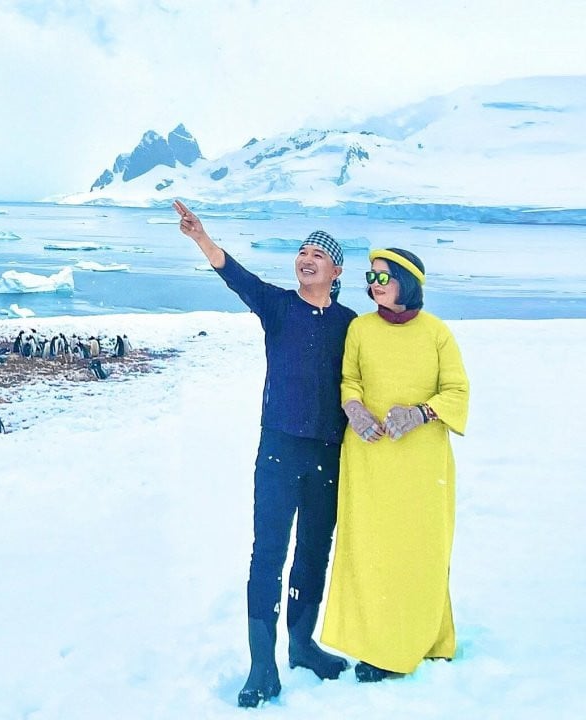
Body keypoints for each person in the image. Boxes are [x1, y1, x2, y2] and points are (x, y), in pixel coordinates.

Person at [174, 200, 356, 707]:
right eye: (302, 250)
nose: (306, 257)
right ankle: (262, 665)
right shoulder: (278, 306)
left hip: (328, 453)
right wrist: (202, 240)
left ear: (335, 270)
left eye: (318, 253)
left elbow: (371, 375)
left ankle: (302, 646)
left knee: (315, 551)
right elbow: (238, 278)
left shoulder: (350, 324)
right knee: (268, 555)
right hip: (278, 450)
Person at [321, 248, 470, 682]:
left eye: (383, 278)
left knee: (421, 550)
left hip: (423, 464)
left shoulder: (437, 333)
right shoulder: (359, 329)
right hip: (370, 458)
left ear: (407, 282)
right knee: (373, 551)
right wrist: (355, 409)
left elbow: (457, 391)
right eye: (370, 277)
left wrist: (421, 413)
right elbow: (350, 378)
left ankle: (427, 639)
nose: (374, 284)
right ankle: (379, 648)